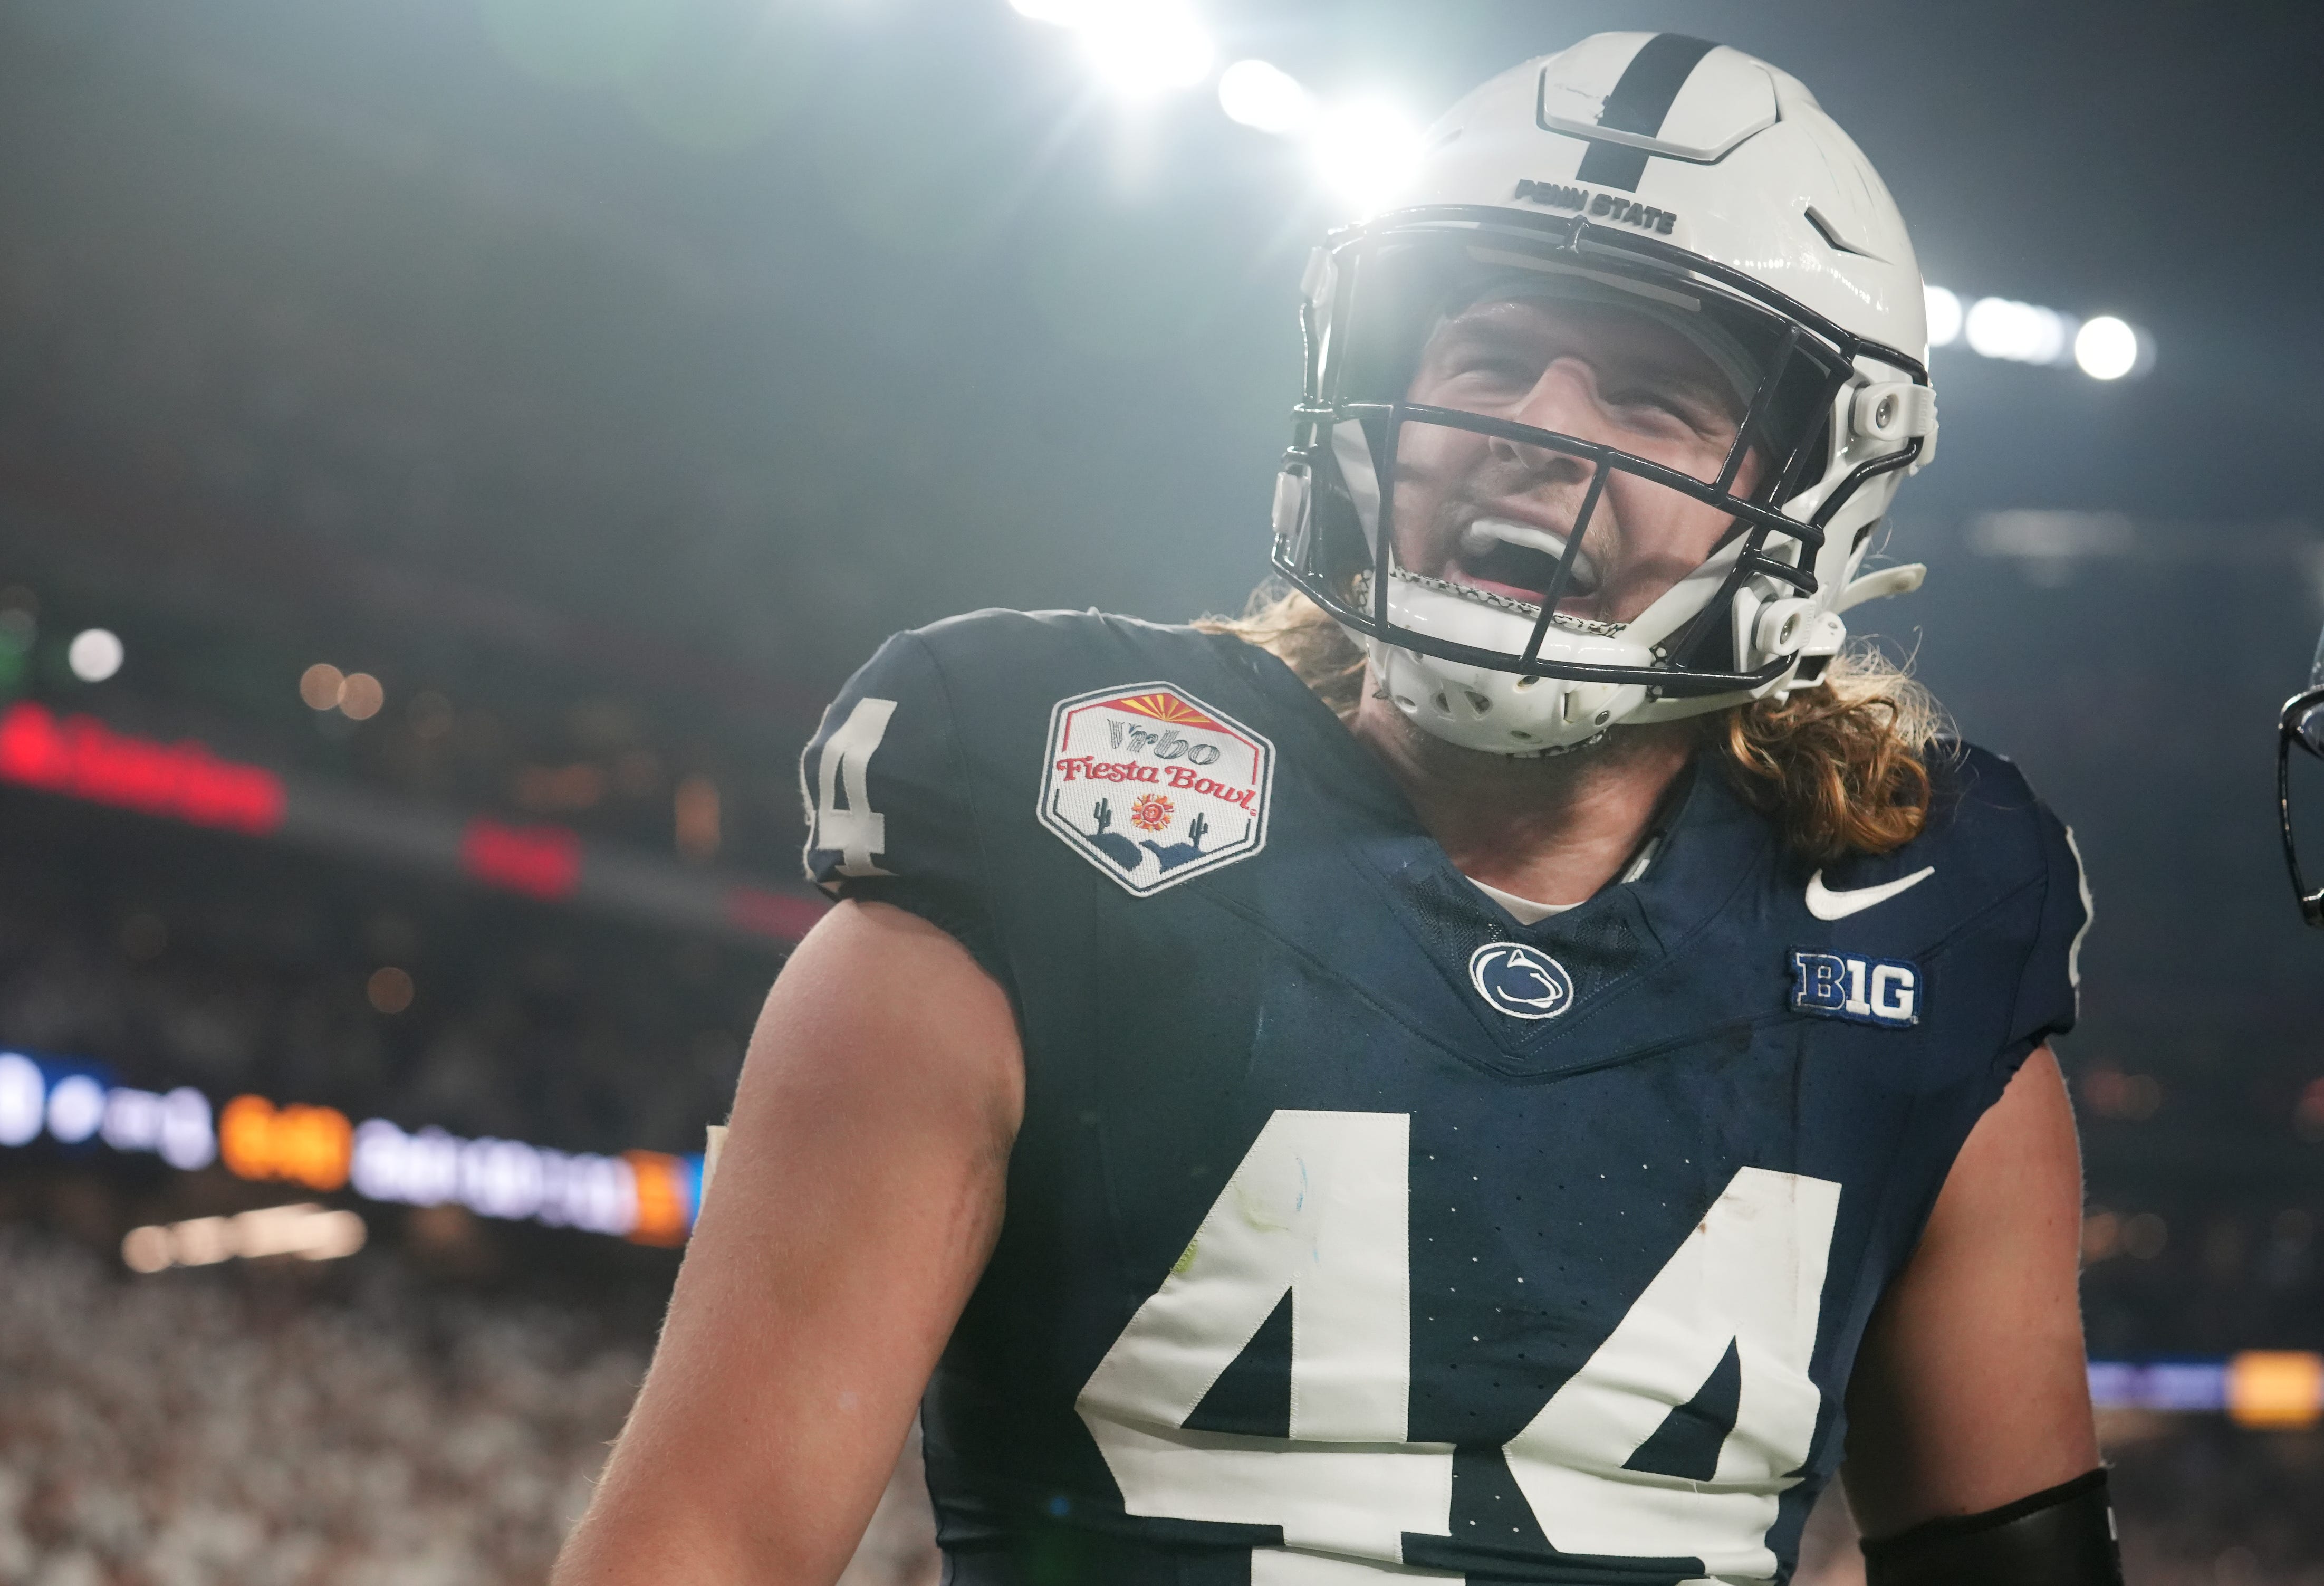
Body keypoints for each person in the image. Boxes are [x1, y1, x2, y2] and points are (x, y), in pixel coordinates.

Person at [554, 32, 2118, 1586]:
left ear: (1815, 499)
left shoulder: (1920, 928)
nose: (1536, 427)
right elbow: (709, 1546)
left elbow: (2008, 1568)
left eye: (1651, 398)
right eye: (1489, 359)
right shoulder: (1055, 814)